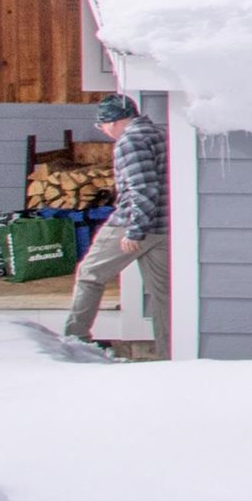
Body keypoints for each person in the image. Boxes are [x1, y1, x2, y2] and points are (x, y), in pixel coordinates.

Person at [65, 94, 168, 352]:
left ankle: (75, 339)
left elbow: (143, 189)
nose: (103, 131)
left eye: (102, 126)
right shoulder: (161, 134)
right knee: (165, 296)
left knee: (90, 274)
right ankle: (172, 353)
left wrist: (135, 230)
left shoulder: (130, 142)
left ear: (114, 122)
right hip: (165, 227)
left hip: (133, 224)